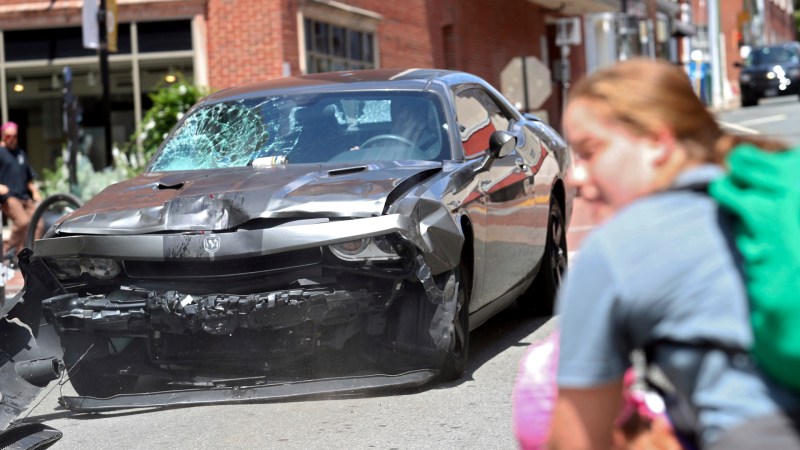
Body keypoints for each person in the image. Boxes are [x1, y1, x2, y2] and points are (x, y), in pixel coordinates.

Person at [547, 58, 800, 449]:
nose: (576, 176)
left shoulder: (617, 248)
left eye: (590, 151)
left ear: (657, 144)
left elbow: (577, 440)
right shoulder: (773, 195)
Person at [0, 121, 42, 256]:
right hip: (9, 197)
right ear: (2, 136)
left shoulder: (21, 153)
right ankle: (4, 250)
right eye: (8, 136)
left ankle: (30, 253)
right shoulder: (1, 152)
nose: (11, 139)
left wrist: (35, 191)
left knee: (39, 223)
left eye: (14, 136)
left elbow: (29, 177)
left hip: (24, 196)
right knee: (23, 222)